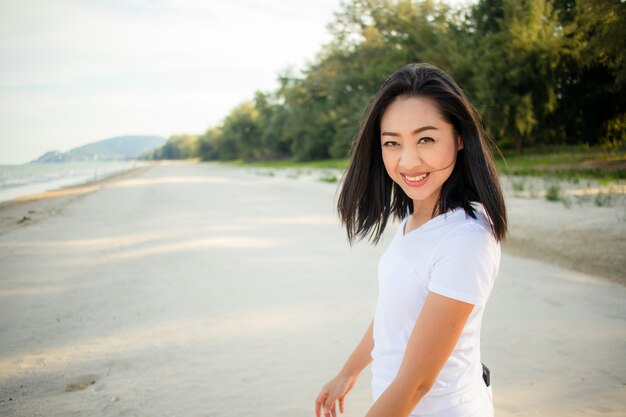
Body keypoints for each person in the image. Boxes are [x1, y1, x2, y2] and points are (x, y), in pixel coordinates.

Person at [315, 63, 507, 417]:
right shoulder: (415, 218)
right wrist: (348, 372)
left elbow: (416, 382)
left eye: (426, 139)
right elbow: (397, 314)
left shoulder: (465, 238)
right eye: (392, 142)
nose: (408, 160)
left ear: (460, 136)